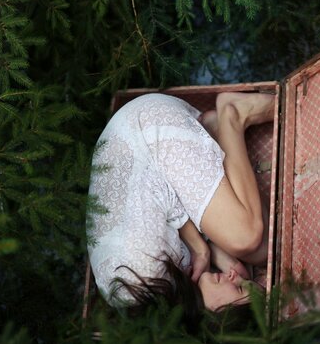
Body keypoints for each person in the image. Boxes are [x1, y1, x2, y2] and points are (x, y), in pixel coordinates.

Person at [86, 91, 274, 329]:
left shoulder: (143, 277)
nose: (235, 277)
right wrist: (211, 252)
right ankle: (212, 130)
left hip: (145, 126)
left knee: (245, 237)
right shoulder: (164, 296)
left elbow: (162, 193)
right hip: (141, 147)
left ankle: (233, 115)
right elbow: (156, 208)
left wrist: (201, 248)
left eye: (237, 288)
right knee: (261, 250)